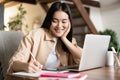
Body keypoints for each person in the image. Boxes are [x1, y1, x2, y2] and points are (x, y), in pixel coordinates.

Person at [7, 1, 82, 74]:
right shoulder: (34, 36)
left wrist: (64, 39)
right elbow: (14, 64)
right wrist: (26, 66)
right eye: (55, 21)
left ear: (69, 23)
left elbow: (84, 60)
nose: (59, 26)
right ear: (49, 21)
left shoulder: (70, 41)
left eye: (64, 22)